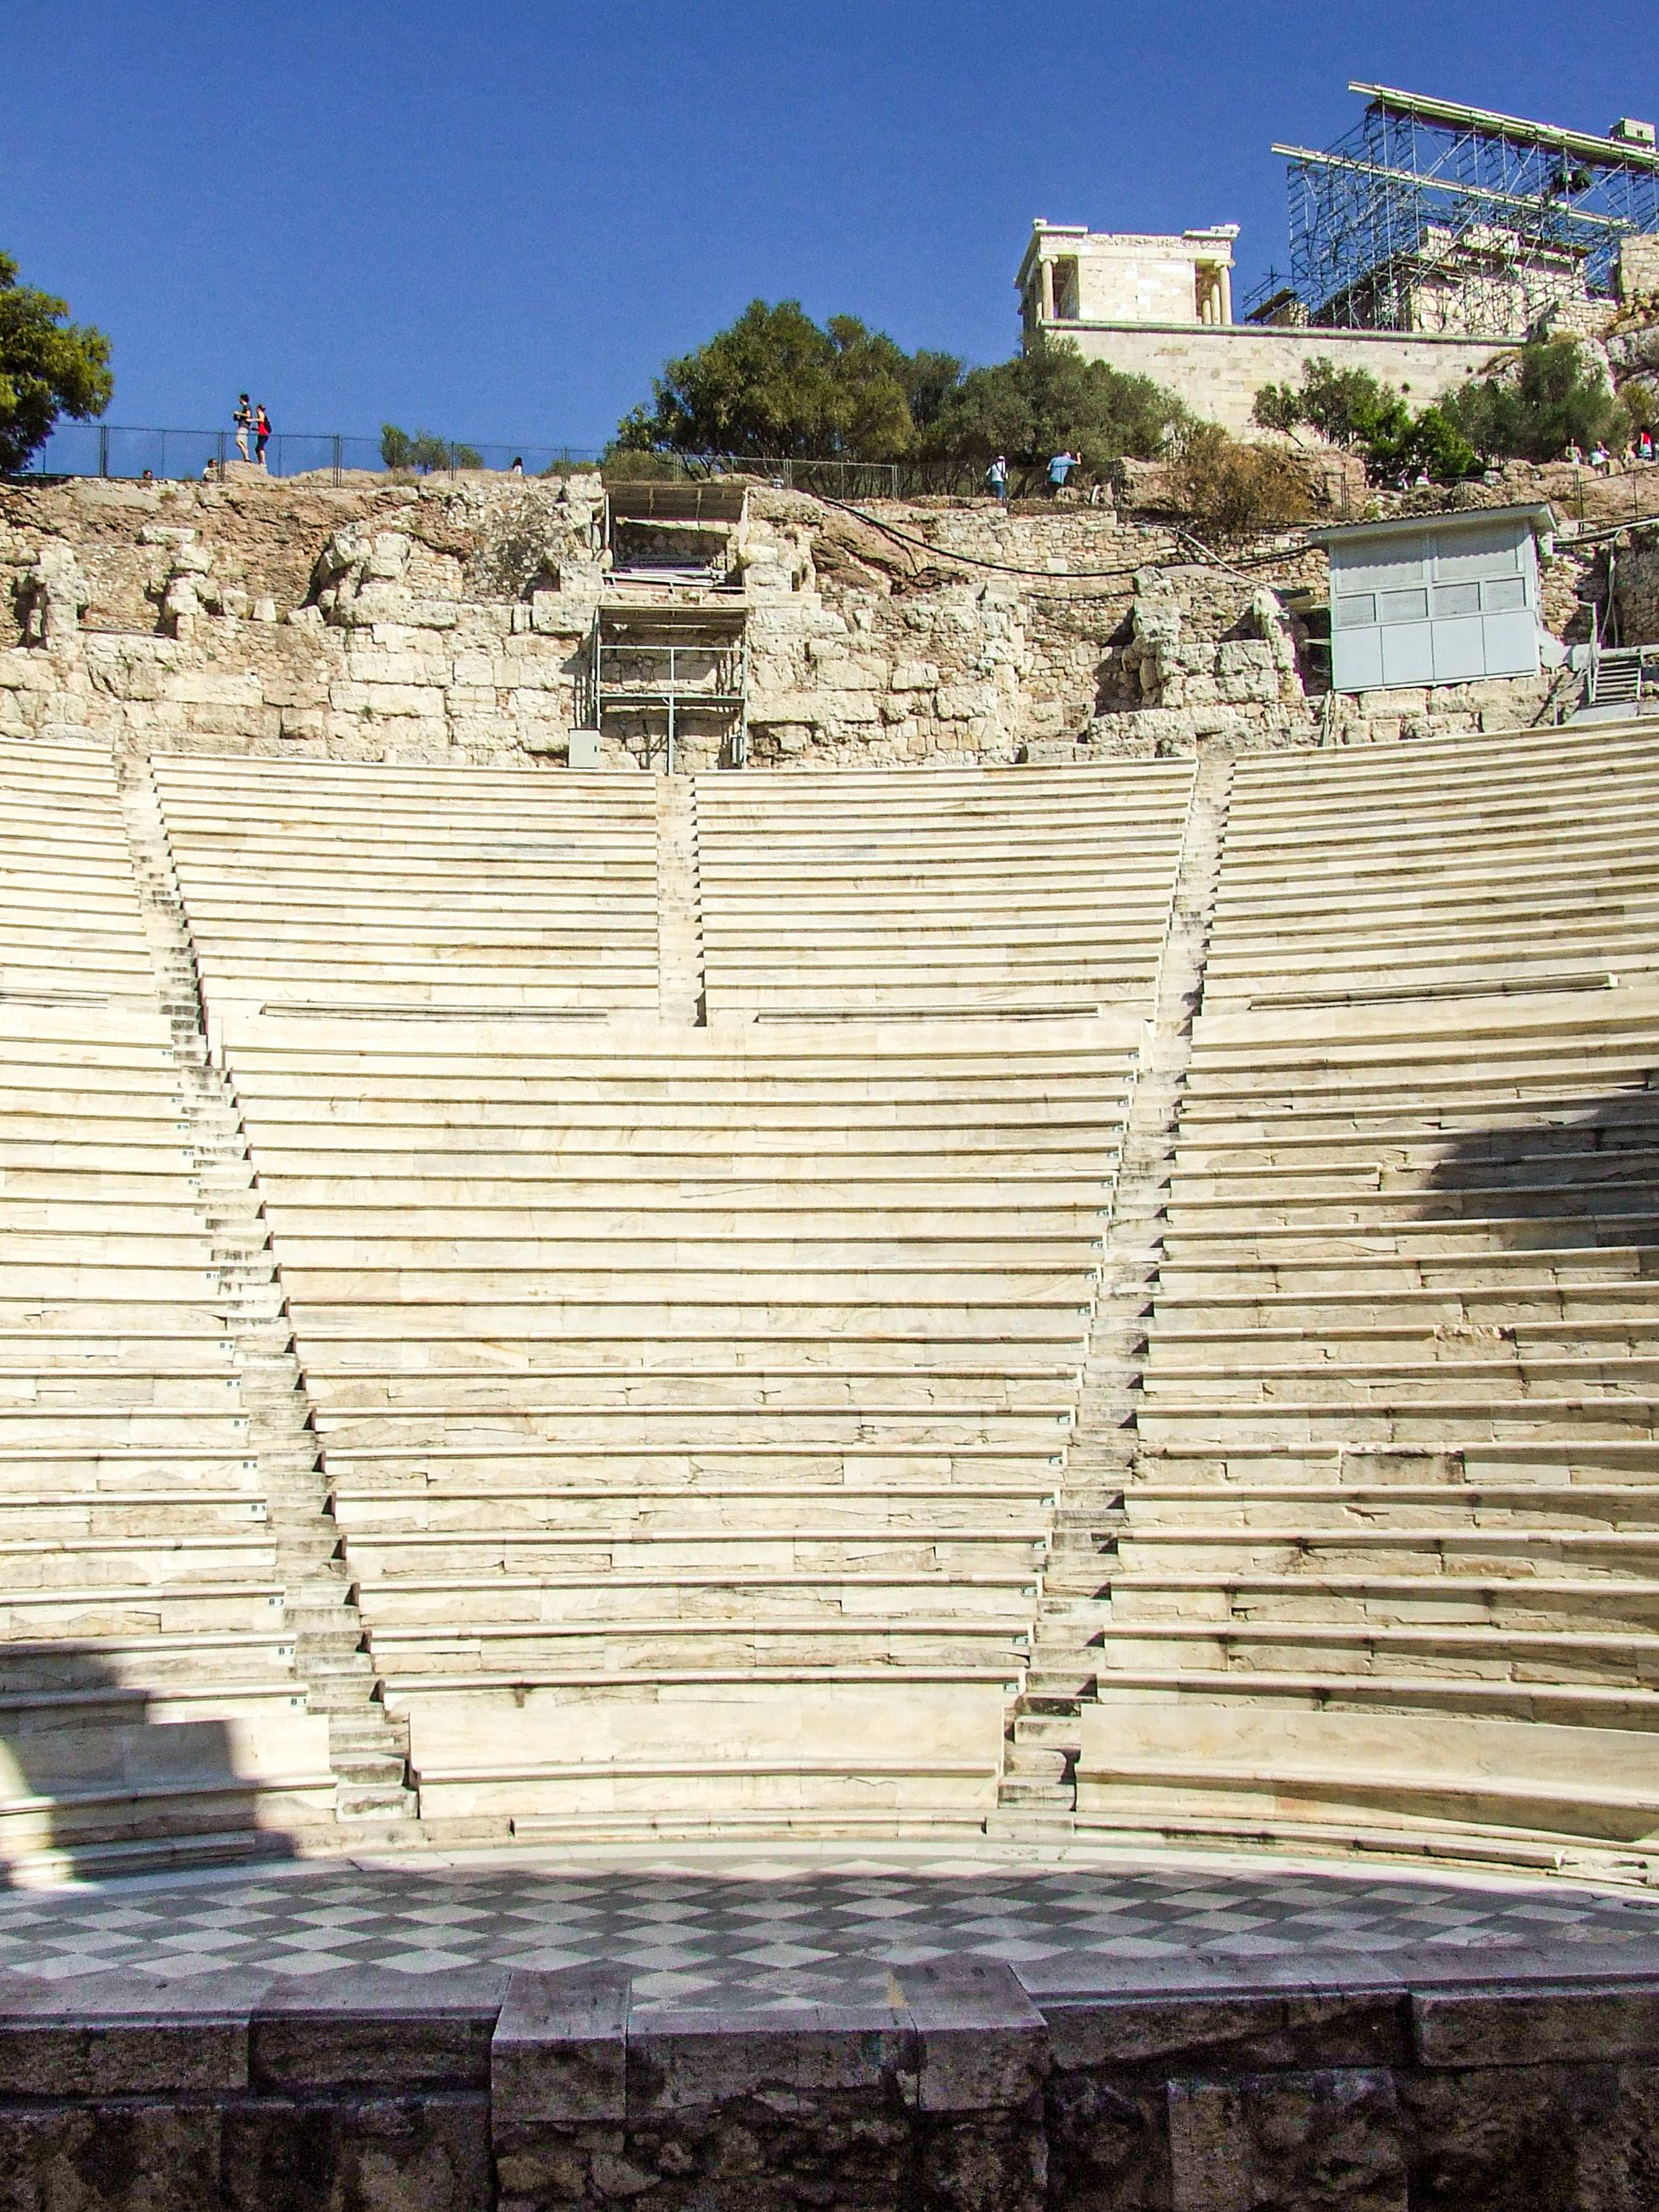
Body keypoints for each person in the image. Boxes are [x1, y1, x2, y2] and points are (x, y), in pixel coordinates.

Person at [233, 394, 253, 463]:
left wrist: (239, 413)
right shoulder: (245, 407)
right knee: (244, 443)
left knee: (238, 441)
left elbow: (248, 415)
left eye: (240, 399)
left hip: (243, 427)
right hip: (245, 427)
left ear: (242, 399)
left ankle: (246, 457)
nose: (239, 400)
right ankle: (246, 458)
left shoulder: (246, 407)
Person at [254, 404, 271, 469]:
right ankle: (260, 462)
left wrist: (252, 420)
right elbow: (262, 425)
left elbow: (261, 420)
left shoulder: (260, 413)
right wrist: (256, 429)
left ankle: (263, 462)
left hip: (263, 433)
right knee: (258, 448)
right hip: (262, 432)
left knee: (260, 447)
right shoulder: (263, 414)